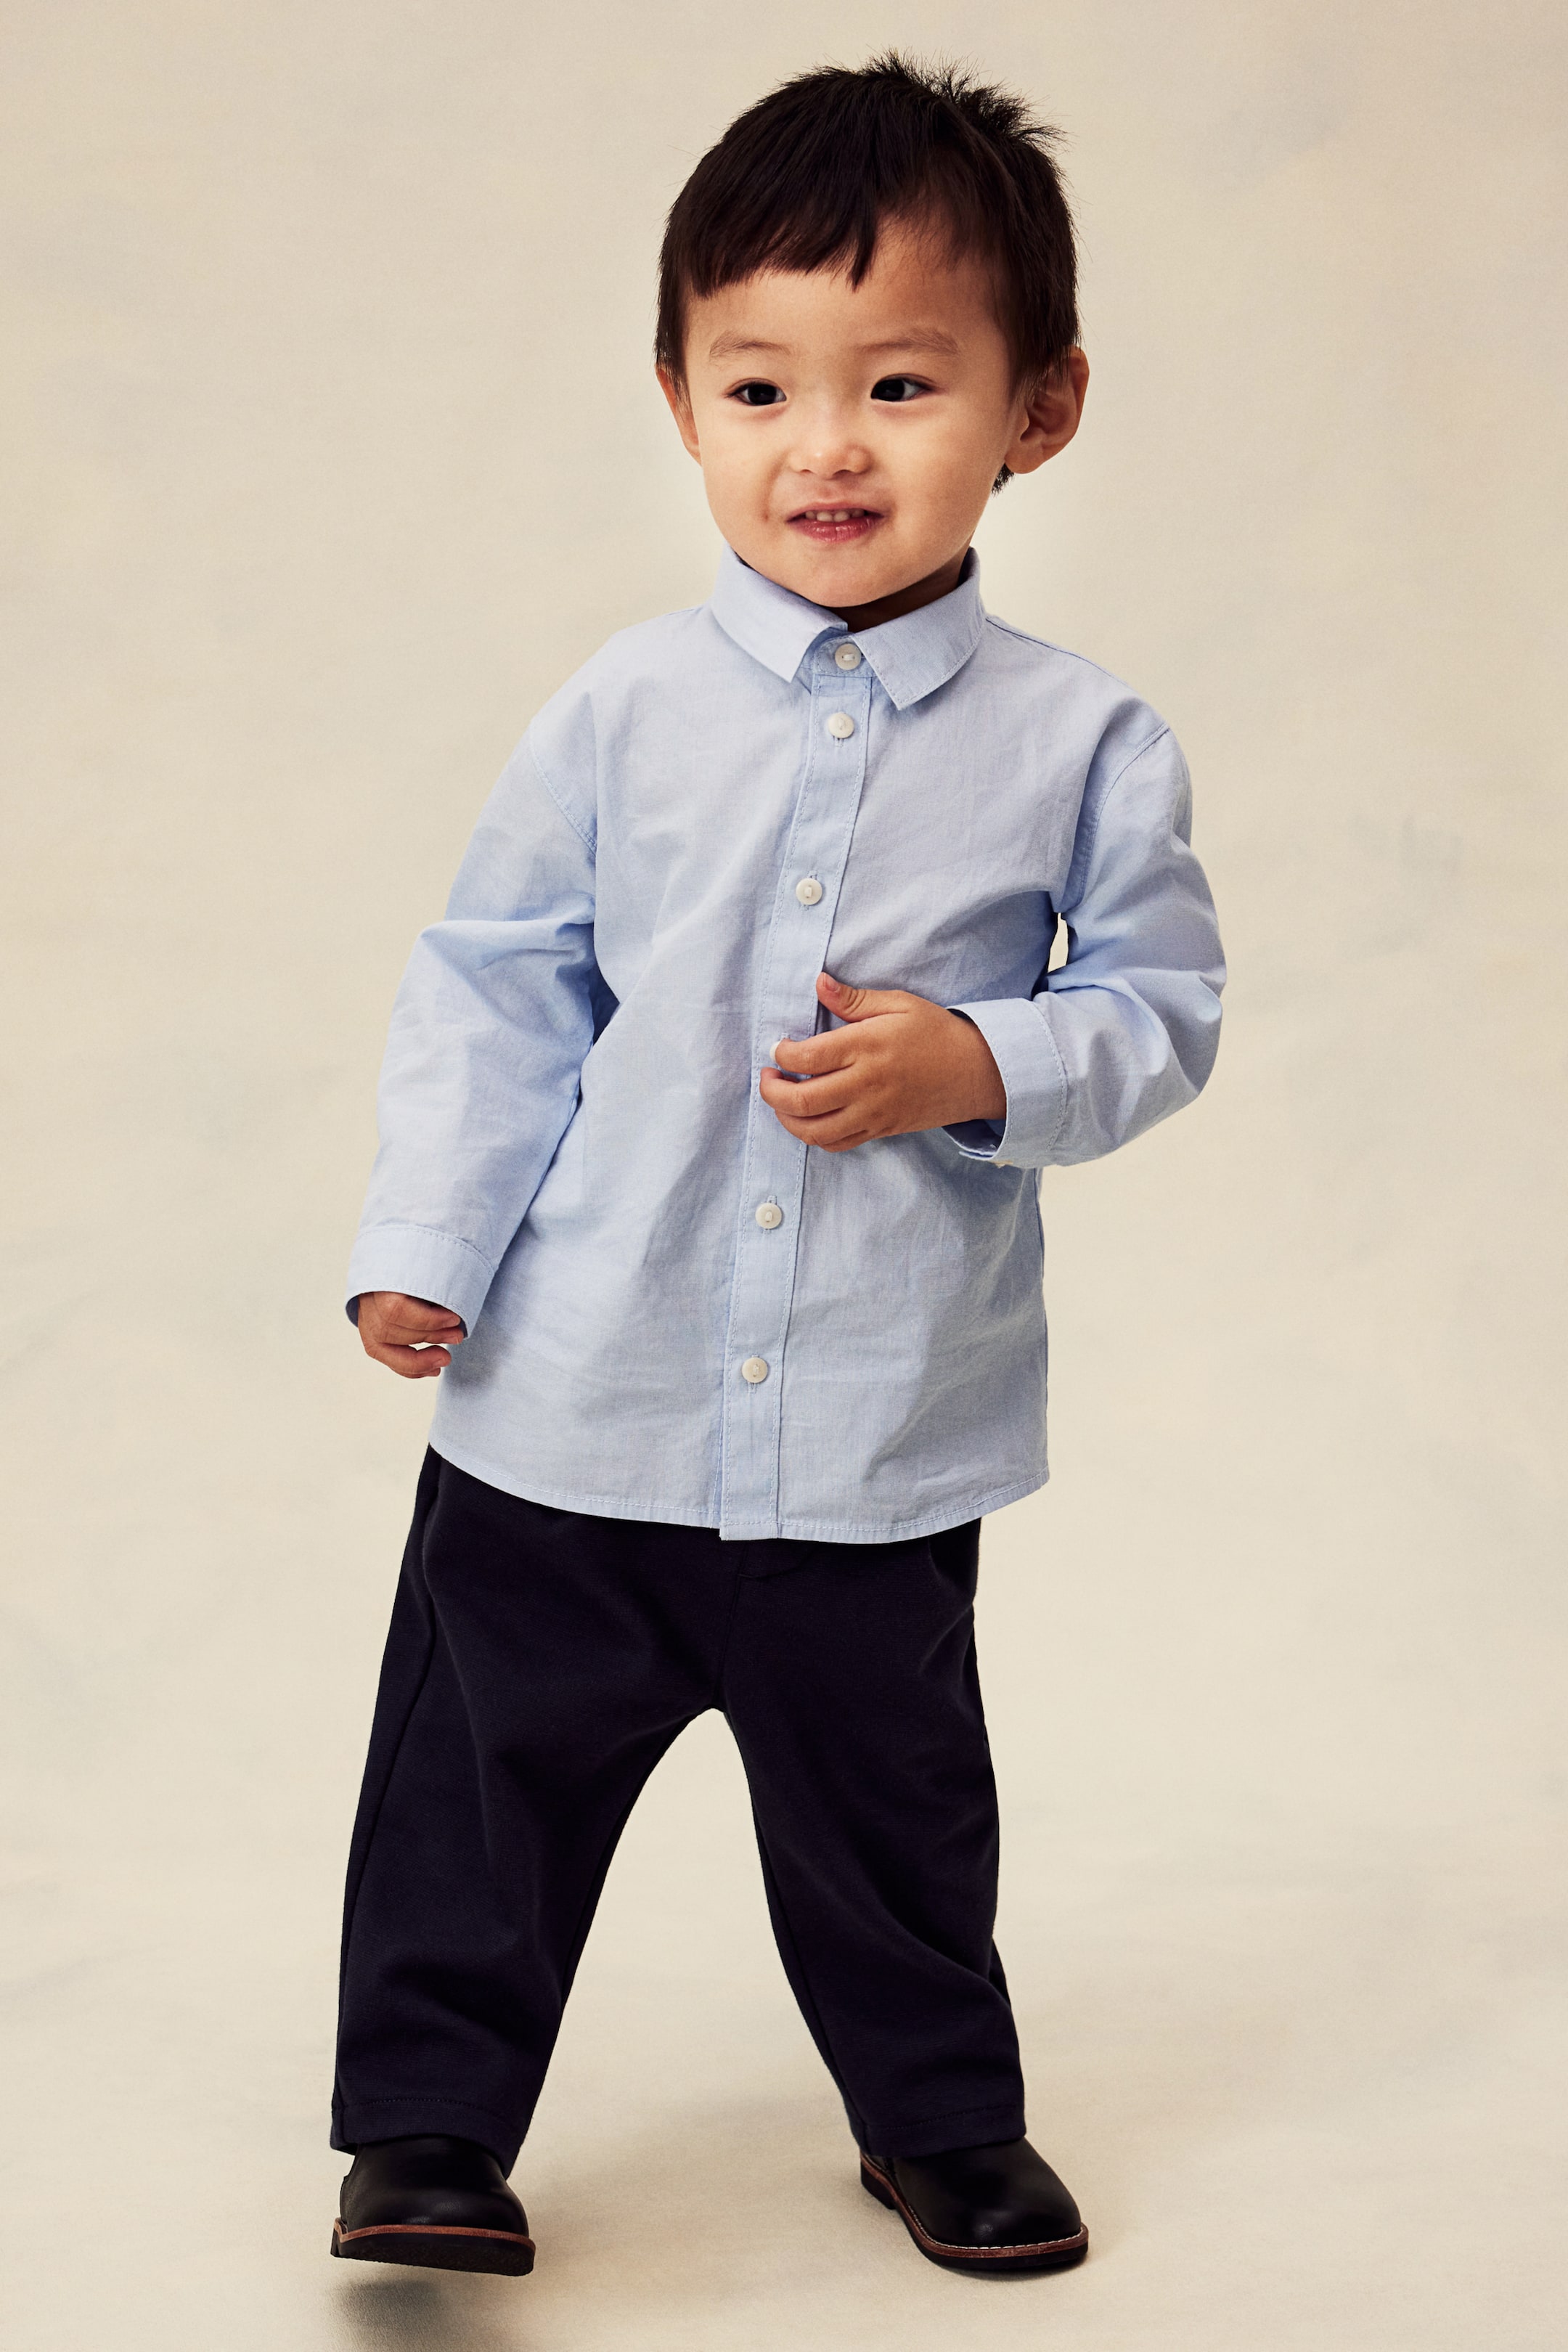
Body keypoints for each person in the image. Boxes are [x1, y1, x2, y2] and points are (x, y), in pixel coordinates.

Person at [328, 54, 1224, 2284]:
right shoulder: (621, 712)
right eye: (760, 387)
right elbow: (500, 986)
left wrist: (979, 1060)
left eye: (901, 383)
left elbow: (1165, 1009)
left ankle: (941, 2121)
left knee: (893, 1816)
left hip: (877, 1425)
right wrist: (428, 1243)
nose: (827, 445)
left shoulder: (1084, 740)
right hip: (575, 1401)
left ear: (1040, 408)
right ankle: (425, 2130)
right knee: (477, 1792)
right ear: (681, 400)